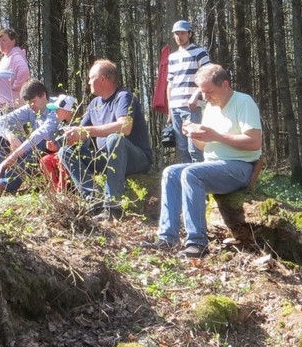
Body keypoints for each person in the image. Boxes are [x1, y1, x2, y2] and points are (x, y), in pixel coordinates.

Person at [152, 64, 261, 258]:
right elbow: (205, 147)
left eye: (209, 91)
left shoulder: (244, 102)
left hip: (240, 167)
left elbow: (254, 143)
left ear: (225, 85)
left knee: (191, 173)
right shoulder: (210, 107)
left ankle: (197, 243)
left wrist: (216, 135)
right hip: (212, 165)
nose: (205, 97)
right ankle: (167, 238)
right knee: (171, 172)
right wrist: (194, 134)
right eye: (202, 92)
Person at [60, 59, 152, 219]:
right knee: (65, 151)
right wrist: (68, 136)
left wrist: (85, 131)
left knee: (114, 138)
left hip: (135, 158)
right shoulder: (94, 104)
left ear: (102, 78)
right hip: (106, 158)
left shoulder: (124, 97)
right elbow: (81, 134)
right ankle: (95, 201)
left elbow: (125, 127)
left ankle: (112, 207)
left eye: (91, 77)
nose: (88, 82)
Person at [0, 80, 64, 197]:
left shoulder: (56, 106)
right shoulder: (30, 108)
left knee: (39, 144)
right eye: (28, 103)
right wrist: (10, 136)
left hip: (53, 149)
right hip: (34, 147)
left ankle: (3, 185)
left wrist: (10, 158)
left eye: (33, 102)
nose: (31, 107)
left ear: (43, 95)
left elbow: (39, 135)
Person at [165, 19, 210, 164]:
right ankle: (185, 180)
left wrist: (196, 95)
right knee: (182, 148)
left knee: (195, 147)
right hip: (176, 107)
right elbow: (170, 84)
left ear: (189, 34)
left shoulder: (199, 52)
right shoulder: (172, 57)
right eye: (177, 33)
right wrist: (170, 110)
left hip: (193, 107)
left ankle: (201, 178)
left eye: (182, 33)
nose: (179, 36)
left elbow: (209, 76)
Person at [0, 27, 30, 110]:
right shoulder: (6, 57)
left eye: (4, 40)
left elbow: (24, 71)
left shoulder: (16, 56)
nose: (0, 43)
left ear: (13, 41)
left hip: (13, 107)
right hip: (4, 107)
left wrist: (16, 86)